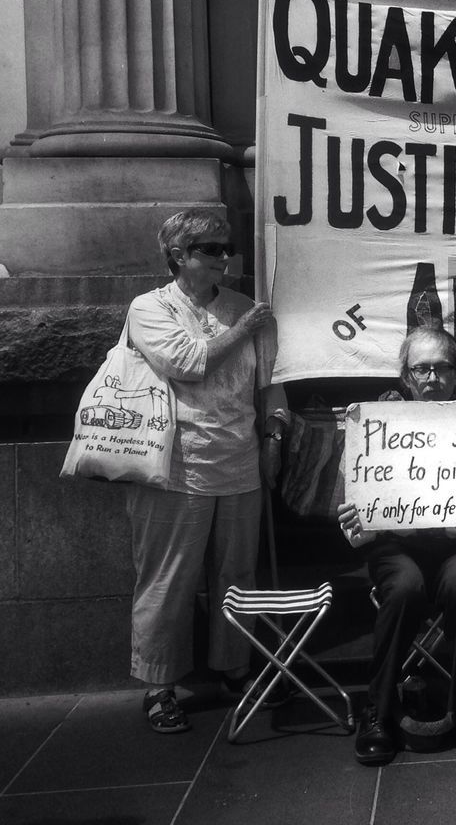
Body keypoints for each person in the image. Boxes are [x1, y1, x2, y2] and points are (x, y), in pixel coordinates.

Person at [124, 209, 286, 734]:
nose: (225, 258)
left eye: (226, 247)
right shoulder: (150, 308)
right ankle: (159, 684)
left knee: (237, 575)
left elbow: (271, 383)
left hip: (239, 462)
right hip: (174, 466)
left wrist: (276, 432)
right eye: (211, 250)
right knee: (170, 577)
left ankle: (234, 667)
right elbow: (189, 363)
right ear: (178, 255)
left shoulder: (246, 310)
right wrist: (244, 329)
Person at [336, 325, 456, 766]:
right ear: (406, 376)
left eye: (441, 368)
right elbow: (352, 499)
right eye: (421, 369)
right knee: (403, 587)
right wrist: (355, 527)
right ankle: (376, 714)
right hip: (397, 547)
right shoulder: (374, 425)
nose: (432, 378)